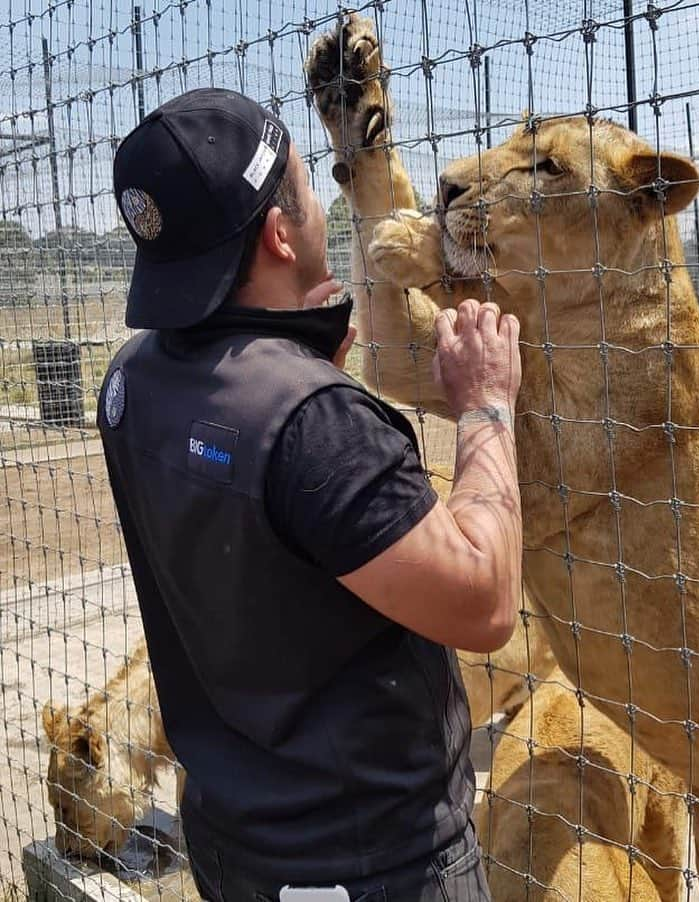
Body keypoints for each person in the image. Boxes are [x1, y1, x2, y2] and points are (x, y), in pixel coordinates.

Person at [99, 87, 522, 902]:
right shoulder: (313, 426)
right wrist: (485, 406)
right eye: (306, 187)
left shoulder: (130, 381)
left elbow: (251, 495)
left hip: (232, 845)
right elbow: (483, 602)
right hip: (367, 869)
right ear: (280, 234)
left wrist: (302, 367)